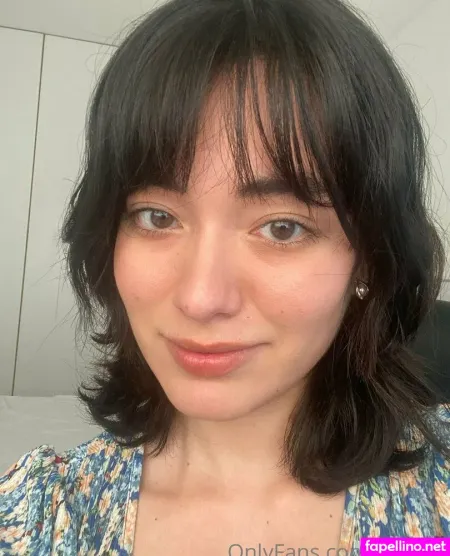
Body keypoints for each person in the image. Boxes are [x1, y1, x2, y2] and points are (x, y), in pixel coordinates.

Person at [1, 0, 449, 553]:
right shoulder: (40, 518)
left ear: (369, 260)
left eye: (282, 228)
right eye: (156, 217)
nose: (200, 298)